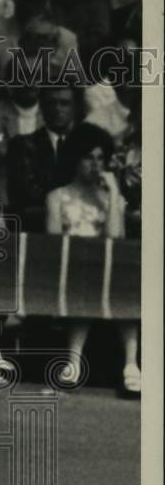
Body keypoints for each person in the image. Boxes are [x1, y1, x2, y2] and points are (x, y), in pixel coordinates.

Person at [45, 122, 139, 394]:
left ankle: (131, 366)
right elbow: (52, 243)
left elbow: (116, 241)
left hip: (108, 273)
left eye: (100, 158)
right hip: (70, 269)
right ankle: (73, 362)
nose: (95, 164)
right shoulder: (57, 197)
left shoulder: (112, 199)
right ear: (76, 159)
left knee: (126, 281)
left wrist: (112, 196)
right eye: (88, 157)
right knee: (86, 279)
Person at [7, 82, 79, 233]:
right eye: (51, 103)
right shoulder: (21, 146)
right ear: (42, 107)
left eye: (64, 103)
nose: (57, 109)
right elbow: (25, 198)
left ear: (74, 108)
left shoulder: (88, 146)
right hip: (37, 230)